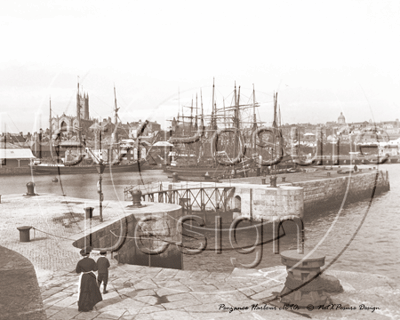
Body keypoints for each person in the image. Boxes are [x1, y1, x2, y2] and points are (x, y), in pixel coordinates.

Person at [76, 247, 102, 312]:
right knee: (91, 290)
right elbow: (95, 269)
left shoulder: (80, 262)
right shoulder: (91, 260)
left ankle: (83, 306)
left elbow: (77, 271)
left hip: (84, 277)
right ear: (88, 254)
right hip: (91, 276)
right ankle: (90, 305)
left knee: (84, 291)